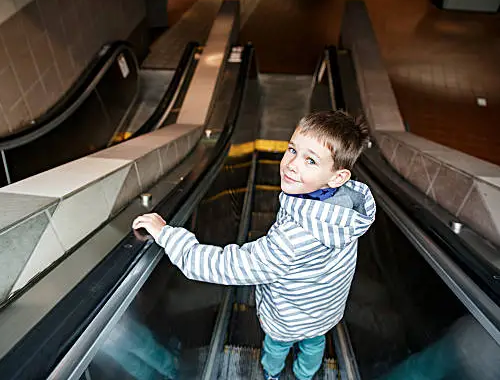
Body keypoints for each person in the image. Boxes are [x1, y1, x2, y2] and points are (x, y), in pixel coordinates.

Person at [132, 111, 376, 380]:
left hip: (286, 318)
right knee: (315, 343)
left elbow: (228, 266)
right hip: (325, 311)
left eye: (310, 160)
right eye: (292, 149)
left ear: (337, 177)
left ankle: (272, 374)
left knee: (275, 346)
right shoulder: (344, 210)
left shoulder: (293, 240)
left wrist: (167, 234)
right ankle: (305, 376)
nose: (292, 164)